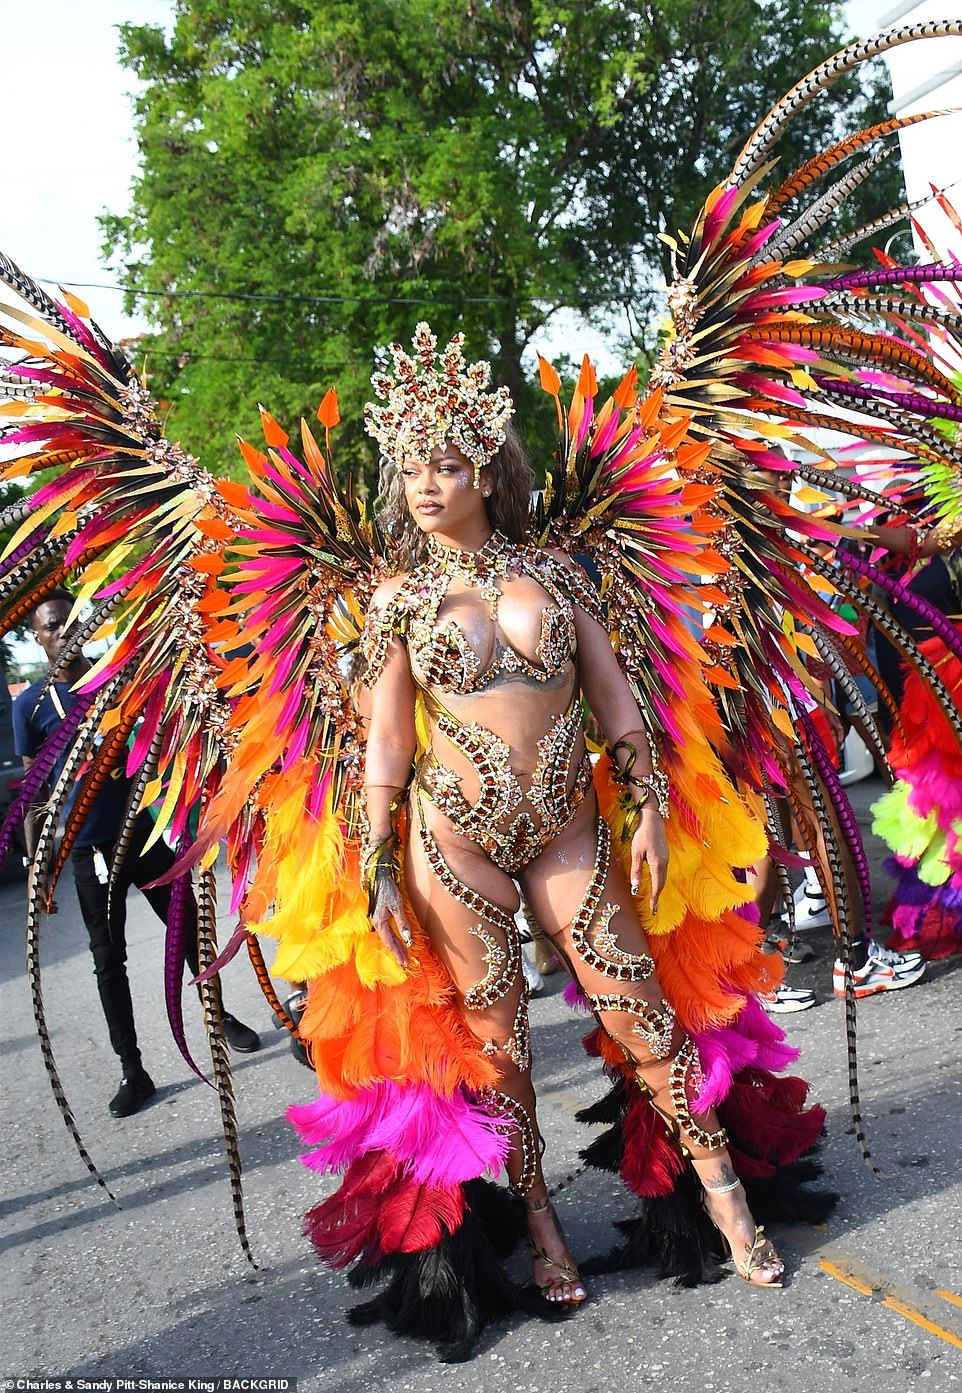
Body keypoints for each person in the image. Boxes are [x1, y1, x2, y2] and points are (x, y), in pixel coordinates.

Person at [354, 375, 784, 1298]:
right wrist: (377, 864)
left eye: (447, 464)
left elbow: (613, 693)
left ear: (486, 471)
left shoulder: (554, 570)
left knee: (643, 1019)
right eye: (412, 468)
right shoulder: (391, 599)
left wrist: (650, 803)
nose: (427, 484)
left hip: (568, 827)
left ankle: (727, 1199)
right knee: (499, 1045)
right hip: (452, 845)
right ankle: (544, 1225)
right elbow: (385, 736)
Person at [13, 590, 261, 1118]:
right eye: (53, 626)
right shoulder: (29, 707)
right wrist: (40, 869)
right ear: (38, 637)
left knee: (191, 932)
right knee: (109, 962)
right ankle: (133, 1069)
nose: (66, 633)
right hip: (87, 853)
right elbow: (35, 794)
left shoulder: (115, 681)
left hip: (145, 838)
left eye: (73, 622)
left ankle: (222, 1020)